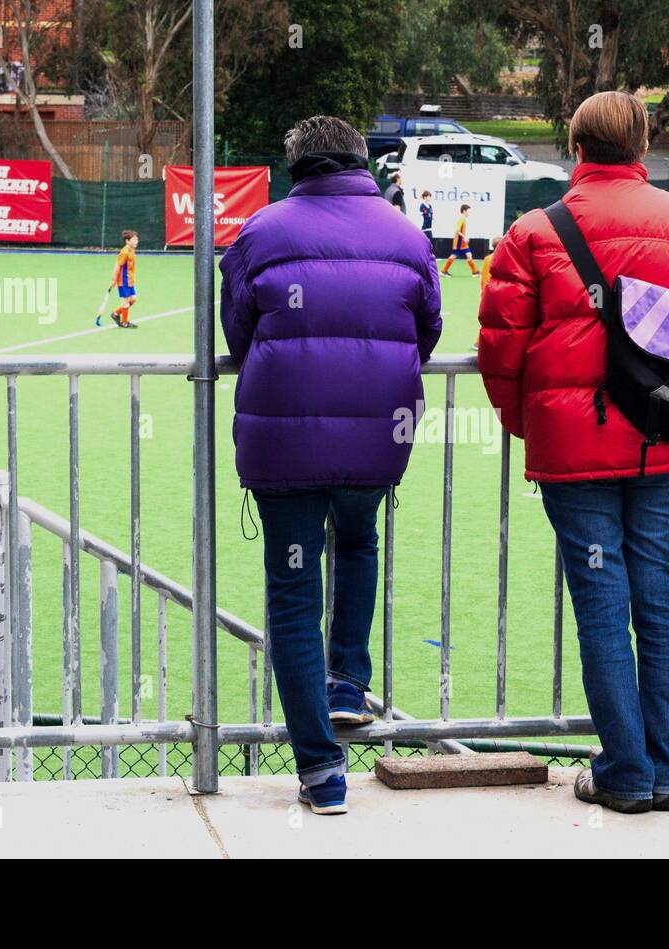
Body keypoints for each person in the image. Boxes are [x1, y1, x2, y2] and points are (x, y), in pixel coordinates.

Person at [478, 91, 669, 814]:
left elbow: (500, 346)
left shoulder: (534, 231)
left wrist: (526, 421)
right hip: (668, 447)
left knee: (602, 603)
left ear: (576, 147)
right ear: (643, 148)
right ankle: (665, 772)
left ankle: (626, 773)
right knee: (663, 599)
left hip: (574, 454)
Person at [220, 115, 441, 816]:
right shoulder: (407, 235)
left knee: (291, 592)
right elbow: (428, 328)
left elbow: (234, 328)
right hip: (377, 439)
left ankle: (321, 770)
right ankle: (347, 680)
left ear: (296, 165)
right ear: (361, 162)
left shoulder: (260, 231)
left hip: (282, 445)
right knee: (358, 539)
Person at [108, 230, 140, 329]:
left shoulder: (132, 249)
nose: (136, 242)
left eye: (137, 239)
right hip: (123, 280)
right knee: (126, 301)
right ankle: (125, 322)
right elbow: (117, 266)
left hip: (129, 280)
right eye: (134, 240)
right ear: (127, 241)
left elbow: (130, 266)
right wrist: (113, 280)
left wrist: (133, 278)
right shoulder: (124, 252)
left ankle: (116, 313)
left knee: (133, 299)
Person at [441, 203, 479, 275]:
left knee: (469, 255)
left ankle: (475, 272)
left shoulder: (464, 219)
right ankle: (443, 271)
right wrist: (464, 237)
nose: (469, 213)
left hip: (463, 243)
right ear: (464, 211)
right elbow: (457, 231)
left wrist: (465, 237)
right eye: (468, 211)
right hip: (458, 241)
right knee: (454, 255)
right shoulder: (461, 219)